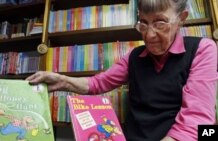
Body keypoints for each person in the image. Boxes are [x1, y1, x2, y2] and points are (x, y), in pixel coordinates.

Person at [26, 0, 218, 140]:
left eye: (160, 23)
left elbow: (197, 121)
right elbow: (98, 83)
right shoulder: (135, 56)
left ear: (181, 19)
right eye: (143, 23)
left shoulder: (203, 49)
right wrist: (63, 81)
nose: (149, 35)